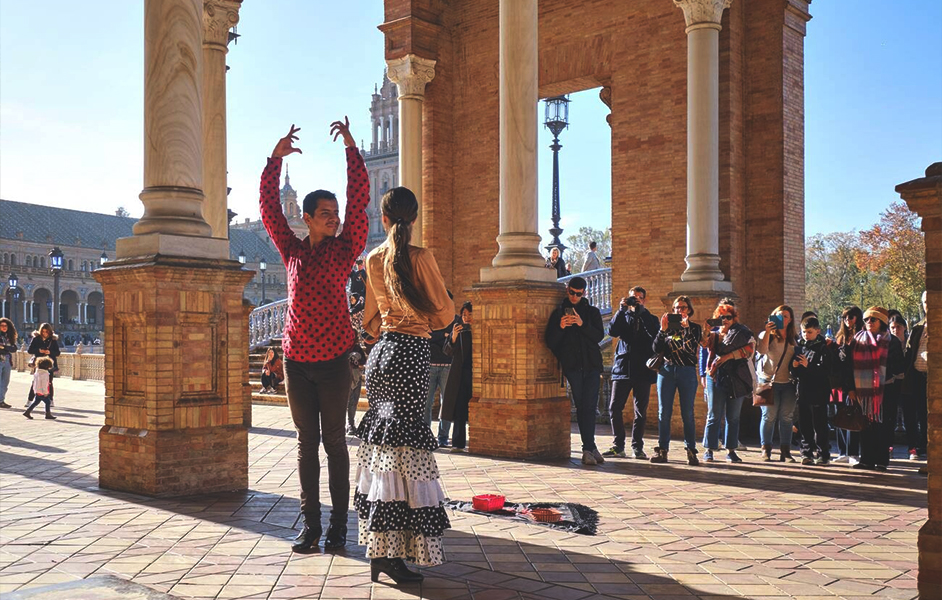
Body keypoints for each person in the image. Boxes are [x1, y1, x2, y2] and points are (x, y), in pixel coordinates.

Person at [260, 120, 369, 553]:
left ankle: (340, 527)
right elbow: (269, 208)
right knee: (306, 446)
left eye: (334, 213)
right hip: (295, 361)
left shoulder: (346, 249)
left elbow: (359, 206)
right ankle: (310, 527)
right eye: (325, 213)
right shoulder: (290, 249)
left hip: (333, 362)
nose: (334, 217)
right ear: (306, 218)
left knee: (335, 444)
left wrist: (351, 150)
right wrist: (274, 159)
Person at [357, 185, 454, 582]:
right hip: (411, 355)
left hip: (381, 358)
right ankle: (392, 555)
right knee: (406, 450)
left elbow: (370, 321)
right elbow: (445, 314)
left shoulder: (372, 258)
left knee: (384, 450)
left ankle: (382, 549)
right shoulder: (419, 256)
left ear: (383, 218)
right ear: (414, 219)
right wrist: (421, 322)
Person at [545, 276, 605, 466]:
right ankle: (588, 448)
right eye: (571, 292)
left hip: (592, 366)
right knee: (582, 406)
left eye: (578, 294)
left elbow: (598, 336)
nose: (574, 296)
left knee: (590, 406)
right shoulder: (558, 313)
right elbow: (550, 341)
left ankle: (590, 446)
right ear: (567, 290)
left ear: (584, 293)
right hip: (573, 367)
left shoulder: (592, 312)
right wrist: (561, 327)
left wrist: (581, 324)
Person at [842, 307, 905, 471]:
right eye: (866, 319)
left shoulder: (892, 341)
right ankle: (867, 459)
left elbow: (898, 366)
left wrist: (880, 374)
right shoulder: (857, 340)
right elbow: (849, 366)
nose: (869, 322)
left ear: (882, 322)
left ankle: (882, 460)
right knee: (866, 424)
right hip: (863, 391)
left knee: (883, 425)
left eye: (873, 319)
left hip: (886, 390)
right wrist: (850, 388)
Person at [602, 286, 659, 460]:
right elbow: (612, 332)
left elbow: (655, 335)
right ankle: (618, 446)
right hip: (622, 369)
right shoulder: (623, 315)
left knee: (640, 411)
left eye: (640, 298)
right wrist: (621, 310)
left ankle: (637, 447)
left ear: (644, 300)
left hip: (643, 370)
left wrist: (641, 313)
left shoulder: (650, 318)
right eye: (634, 297)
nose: (637, 300)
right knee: (614, 407)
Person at [651, 296, 702, 465]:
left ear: (689, 310)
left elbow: (690, 349)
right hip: (666, 370)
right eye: (677, 308)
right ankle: (663, 450)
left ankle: (691, 450)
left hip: (686, 371)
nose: (680, 310)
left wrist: (686, 330)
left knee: (687, 413)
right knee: (664, 412)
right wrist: (662, 330)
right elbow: (656, 348)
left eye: (684, 307)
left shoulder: (695, 328)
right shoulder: (667, 328)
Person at [701, 303, 754, 463]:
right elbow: (703, 344)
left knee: (733, 417)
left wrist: (727, 357)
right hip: (715, 376)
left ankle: (731, 450)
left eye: (728, 317)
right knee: (714, 415)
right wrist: (706, 330)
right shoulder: (715, 335)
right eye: (721, 317)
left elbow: (749, 350)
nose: (725, 320)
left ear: (734, 318)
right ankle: (709, 449)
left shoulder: (742, 332)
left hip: (736, 377)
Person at [756, 305, 799, 462]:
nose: (783, 319)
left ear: (791, 319)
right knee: (769, 417)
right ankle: (766, 449)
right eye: (779, 316)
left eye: (786, 316)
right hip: (769, 382)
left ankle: (785, 452)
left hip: (788, 383)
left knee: (787, 417)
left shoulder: (794, 338)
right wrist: (767, 332)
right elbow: (761, 351)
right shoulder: (767, 335)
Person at [791, 316, 833, 465]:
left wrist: (809, 365)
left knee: (820, 425)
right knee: (805, 425)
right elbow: (795, 372)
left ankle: (823, 454)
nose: (806, 335)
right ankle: (806, 453)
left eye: (809, 332)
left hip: (819, 392)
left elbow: (826, 371)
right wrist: (794, 367)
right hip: (803, 391)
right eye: (803, 332)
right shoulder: (800, 347)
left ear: (817, 331)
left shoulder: (824, 348)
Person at [832, 306, 864, 464]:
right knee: (841, 414)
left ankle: (853, 452)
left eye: (851, 317)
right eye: (845, 317)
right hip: (840, 384)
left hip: (854, 382)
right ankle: (842, 451)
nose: (847, 320)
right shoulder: (841, 338)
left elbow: (852, 365)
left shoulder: (861, 337)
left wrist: (851, 388)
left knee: (853, 414)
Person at [442, 302, 473, 453]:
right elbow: (447, 351)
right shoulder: (459, 331)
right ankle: (458, 442)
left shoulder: (480, 329)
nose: (466, 318)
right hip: (460, 374)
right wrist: (453, 336)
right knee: (460, 408)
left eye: (469, 314)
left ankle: (477, 440)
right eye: (464, 315)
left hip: (476, 374)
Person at [428, 293, 457, 447]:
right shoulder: (429, 319)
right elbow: (428, 338)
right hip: (430, 365)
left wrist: (439, 338)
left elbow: (453, 342)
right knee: (427, 403)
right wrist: (444, 337)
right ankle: (426, 435)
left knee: (446, 404)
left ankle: (443, 437)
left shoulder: (456, 319)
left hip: (448, 366)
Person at [903, 291, 928, 461]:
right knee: (920, 414)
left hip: (935, 379)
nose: (928, 304)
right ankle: (920, 448)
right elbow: (910, 351)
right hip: (918, 377)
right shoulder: (918, 327)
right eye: (925, 301)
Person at [26, 323, 60, 409]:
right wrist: (39, 350)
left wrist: (50, 352)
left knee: (49, 382)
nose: (45, 333)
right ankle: (30, 400)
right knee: (35, 382)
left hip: (49, 364)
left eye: (46, 332)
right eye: (43, 331)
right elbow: (30, 350)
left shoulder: (53, 340)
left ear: (49, 332)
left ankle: (50, 400)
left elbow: (57, 352)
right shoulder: (36, 339)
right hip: (39, 363)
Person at [346, 293, 367, 434]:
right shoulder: (343, 349)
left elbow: (363, 362)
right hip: (347, 378)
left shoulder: (357, 348)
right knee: (348, 403)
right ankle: (348, 425)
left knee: (352, 403)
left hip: (356, 377)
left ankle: (351, 424)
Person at [0, 318, 17, 409]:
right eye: (2, 325)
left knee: (5, 382)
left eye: (5, 326)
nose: (4, 327)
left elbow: (14, 349)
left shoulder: (9, 336)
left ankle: (1, 400)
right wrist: (6, 348)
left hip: (7, 360)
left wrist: (4, 347)